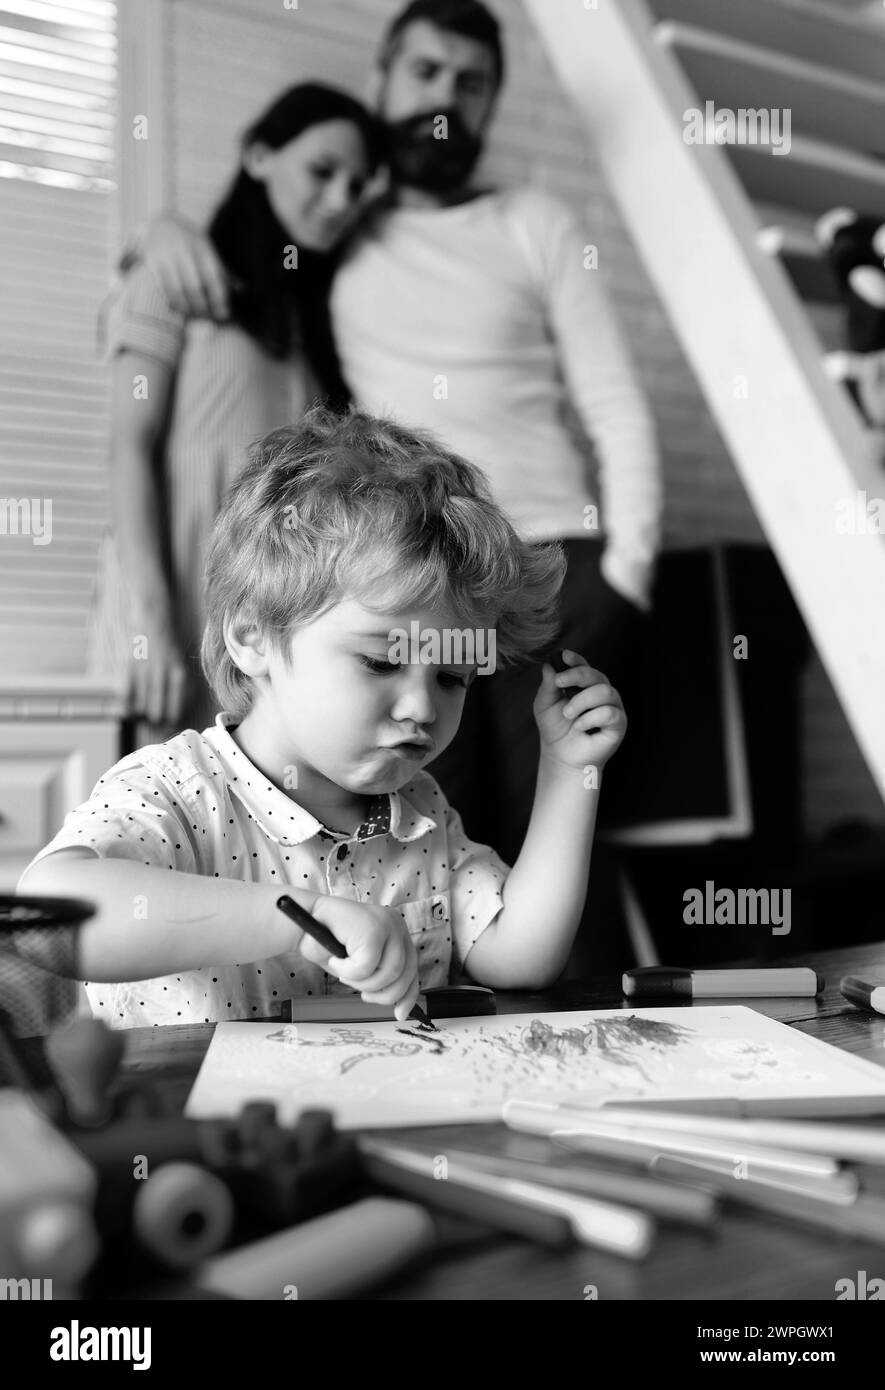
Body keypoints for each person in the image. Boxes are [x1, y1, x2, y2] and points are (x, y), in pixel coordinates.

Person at [132, 1, 660, 872]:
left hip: (551, 565)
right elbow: (249, 247)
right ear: (381, 80)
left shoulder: (535, 222)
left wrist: (628, 572)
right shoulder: (339, 230)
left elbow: (614, 400)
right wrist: (159, 235)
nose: (443, 99)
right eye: (424, 73)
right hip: (410, 582)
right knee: (429, 839)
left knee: (558, 835)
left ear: (490, 103)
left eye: (469, 82)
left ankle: (570, 1014)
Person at [20, 410, 626, 1028]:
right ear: (252, 636)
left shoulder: (421, 813)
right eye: (379, 662)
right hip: (195, 1117)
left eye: (451, 678)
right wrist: (295, 916)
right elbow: (50, 920)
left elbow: (520, 957)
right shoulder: (175, 789)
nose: (422, 707)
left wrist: (568, 770)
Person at [93, 83, 383, 739]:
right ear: (258, 155)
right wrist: (148, 624)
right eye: (322, 170)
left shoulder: (311, 341)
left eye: (357, 185)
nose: (340, 200)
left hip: (261, 650)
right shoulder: (173, 277)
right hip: (164, 629)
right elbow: (127, 452)